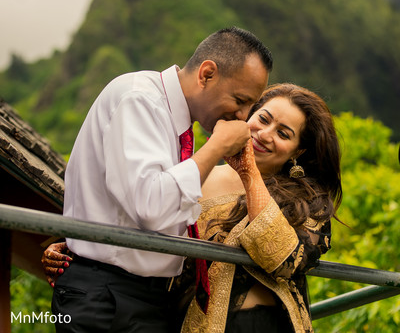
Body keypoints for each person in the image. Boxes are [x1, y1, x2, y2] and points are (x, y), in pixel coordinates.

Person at [44, 82, 342, 333]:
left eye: (283, 133)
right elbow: (151, 224)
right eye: (263, 119)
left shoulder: (308, 201)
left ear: (298, 152)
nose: (265, 134)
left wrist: (248, 171)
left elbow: (283, 258)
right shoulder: (197, 174)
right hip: (182, 322)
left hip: (261, 324)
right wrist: (80, 248)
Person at [49, 27, 272, 332]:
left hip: (144, 299)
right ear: (207, 74)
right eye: (240, 100)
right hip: (108, 298)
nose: (243, 117)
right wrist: (216, 147)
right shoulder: (139, 99)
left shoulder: (176, 121)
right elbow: (151, 206)